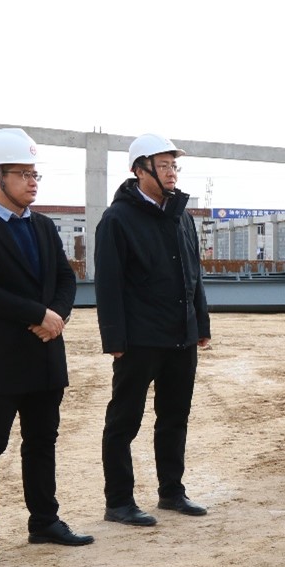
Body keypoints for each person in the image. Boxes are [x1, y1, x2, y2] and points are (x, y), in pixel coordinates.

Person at [0, 128, 94, 566]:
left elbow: (65, 278)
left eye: (35, 174)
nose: (32, 182)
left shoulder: (44, 226)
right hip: (0, 357)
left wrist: (57, 317)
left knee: (42, 442)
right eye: (22, 174)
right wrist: (38, 314)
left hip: (46, 352)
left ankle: (44, 521)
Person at [95, 133, 212, 527]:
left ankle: (171, 491)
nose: (172, 173)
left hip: (181, 335)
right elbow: (108, 284)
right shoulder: (117, 219)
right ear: (139, 170)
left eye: (174, 165)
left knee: (175, 416)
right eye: (163, 166)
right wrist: (114, 339)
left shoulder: (182, 217)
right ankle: (119, 501)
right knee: (124, 421)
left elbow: (193, 274)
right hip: (139, 339)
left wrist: (200, 323)